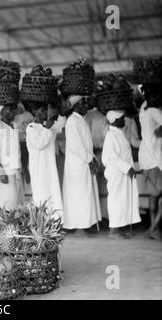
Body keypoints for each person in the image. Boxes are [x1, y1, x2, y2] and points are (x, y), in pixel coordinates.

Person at [62, 95, 102, 235]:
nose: (87, 105)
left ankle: (86, 224)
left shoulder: (81, 120)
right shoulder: (72, 121)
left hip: (83, 163)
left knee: (85, 195)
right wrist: (89, 159)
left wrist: (92, 159)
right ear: (75, 106)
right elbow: (77, 147)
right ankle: (79, 227)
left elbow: (86, 144)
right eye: (83, 102)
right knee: (78, 195)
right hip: (77, 165)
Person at [102, 110, 141, 239]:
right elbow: (112, 157)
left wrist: (129, 168)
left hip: (122, 173)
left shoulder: (119, 134)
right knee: (116, 200)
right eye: (122, 118)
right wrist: (127, 167)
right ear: (115, 120)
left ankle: (118, 227)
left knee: (122, 199)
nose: (124, 120)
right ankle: (113, 231)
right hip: (116, 173)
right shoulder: (111, 136)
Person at [26, 103, 64, 213]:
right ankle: (42, 225)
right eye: (42, 110)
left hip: (50, 168)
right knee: (41, 195)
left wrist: (61, 110)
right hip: (38, 169)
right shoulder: (31, 127)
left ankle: (55, 223)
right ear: (35, 111)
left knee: (53, 193)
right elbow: (39, 145)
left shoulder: (49, 126)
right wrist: (47, 128)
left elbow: (61, 124)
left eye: (47, 111)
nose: (45, 113)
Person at [138, 83, 162, 239]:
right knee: (158, 192)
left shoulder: (143, 111)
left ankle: (154, 228)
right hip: (154, 157)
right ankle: (154, 228)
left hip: (145, 157)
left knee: (155, 194)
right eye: (155, 95)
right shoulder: (154, 111)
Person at [0, 105, 21, 212]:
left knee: (14, 200)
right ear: (1, 112)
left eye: (12, 110)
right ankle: (3, 226)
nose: (10, 113)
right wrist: (1, 172)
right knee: (7, 201)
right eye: (7, 111)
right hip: (6, 170)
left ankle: (8, 225)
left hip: (16, 167)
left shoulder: (14, 124)